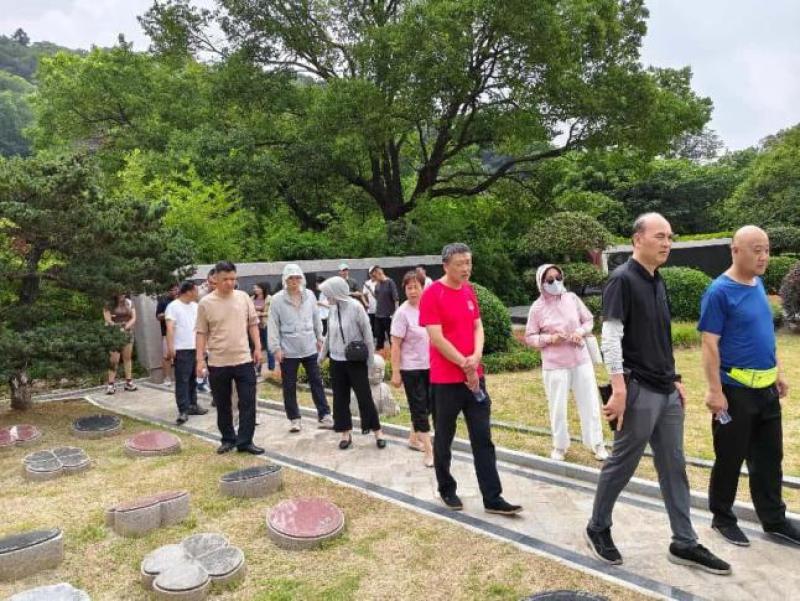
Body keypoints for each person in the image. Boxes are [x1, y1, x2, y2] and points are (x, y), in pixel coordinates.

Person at [584, 213, 730, 575]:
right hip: (638, 390)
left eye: (670, 237)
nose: (667, 243)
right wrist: (618, 388)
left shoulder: (657, 279)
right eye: (659, 236)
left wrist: (675, 377)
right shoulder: (622, 279)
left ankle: (684, 541)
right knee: (623, 463)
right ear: (638, 239)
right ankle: (598, 526)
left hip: (666, 391)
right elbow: (610, 337)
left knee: (674, 466)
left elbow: (660, 336)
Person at [699, 225, 800, 547]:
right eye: (757, 250)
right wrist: (715, 391)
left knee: (770, 458)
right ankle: (722, 518)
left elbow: (764, 333)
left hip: (766, 390)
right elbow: (709, 344)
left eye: (766, 250)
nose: (764, 256)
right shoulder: (719, 291)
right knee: (730, 457)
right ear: (735, 251)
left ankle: (774, 520)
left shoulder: (757, 284)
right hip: (735, 391)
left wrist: (777, 372)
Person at [419, 242, 522, 515]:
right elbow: (436, 337)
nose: (466, 268)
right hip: (445, 380)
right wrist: (464, 364)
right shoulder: (432, 294)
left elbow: (478, 326)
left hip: (475, 376)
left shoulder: (469, 291)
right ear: (445, 266)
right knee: (444, 437)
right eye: (460, 264)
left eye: (468, 262)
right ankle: (446, 488)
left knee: (483, 437)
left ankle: (493, 497)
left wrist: (476, 356)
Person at [524, 263, 607, 462]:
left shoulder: (572, 298)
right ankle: (560, 445)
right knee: (557, 407)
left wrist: (579, 332)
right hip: (555, 364)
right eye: (550, 280)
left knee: (590, 403)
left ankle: (597, 443)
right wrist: (549, 339)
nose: (556, 282)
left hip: (580, 359)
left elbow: (588, 320)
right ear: (541, 283)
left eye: (558, 278)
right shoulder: (537, 307)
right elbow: (530, 336)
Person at [195, 261, 264, 455]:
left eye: (233, 279)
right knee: (223, 404)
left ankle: (245, 441)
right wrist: (200, 360)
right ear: (215, 278)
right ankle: (227, 439)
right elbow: (201, 332)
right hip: (218, 362)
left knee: (248, 401)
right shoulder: (206, 303)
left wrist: (258, 347)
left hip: (243, 359)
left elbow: (253, 324)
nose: (230, 283)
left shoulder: (243, 298)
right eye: (225, 279)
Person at [318, 276, 386, 450]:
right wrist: (322, 356)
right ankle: (345, 433)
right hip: (336, 361)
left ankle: (377, 431)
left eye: (328, 294)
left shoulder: (356, 307)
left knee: (364, 397)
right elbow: (329, 335)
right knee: (340, 399)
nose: (327, 297)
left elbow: (368, 335)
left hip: (355, 360)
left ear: (337, 292)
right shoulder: (333, 309)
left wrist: (370, 361)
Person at [268, 264, 333, 432]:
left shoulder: (309, 295)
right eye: (291, 278)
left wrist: (320, 338)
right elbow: (273, 325)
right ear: (285, 279)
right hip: (288, 350)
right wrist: (276, 348)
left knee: (316, 381)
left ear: (301, 279)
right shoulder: (277, 300)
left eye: (297, 277)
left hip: (309, 346)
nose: (294, 281)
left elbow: (316, 318)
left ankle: (324, 414)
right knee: (289, 386)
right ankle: (294, 418)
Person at [390, 270, 433, 467]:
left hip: (431, 366)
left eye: (416, 287)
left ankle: (414, 438)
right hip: (411, 369)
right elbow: (395, 345)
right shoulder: (402, 313)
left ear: (423, 287)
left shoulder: (430, 307)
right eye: (409, 288)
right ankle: (429, 451)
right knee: (419, 408)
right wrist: (396, 372)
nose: (413, 291)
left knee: (430, 405)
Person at [165, 281, 209, 424]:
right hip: (181, 349)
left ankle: (193, 405)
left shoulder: (196, 306)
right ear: (189, 291)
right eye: (196, 290)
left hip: (196, 347)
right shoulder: (173, 306)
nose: (198, 293)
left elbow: (202, 328)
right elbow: (170, 328)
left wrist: (204, 346)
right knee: (182, 380)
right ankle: (183, 409)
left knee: (193, 379)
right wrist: (171, 347)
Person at [103, 293, 138, 394]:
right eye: (119, 292)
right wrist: (117, 328)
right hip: (114, 333)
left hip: (127, 332)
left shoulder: (129, 302)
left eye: (123, 292)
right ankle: (111, 384)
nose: (122, 294)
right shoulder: (109, 304)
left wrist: (125, 327)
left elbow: (133, 317)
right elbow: (108, 319)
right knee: (114, 359)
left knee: (127, 357)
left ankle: (129, 382)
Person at [156, 284, 179, 386]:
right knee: (167, 356)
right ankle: (167, 378)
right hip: (167, 332)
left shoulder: (181, 300)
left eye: (177, 289)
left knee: (181, 355)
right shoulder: (163, 301)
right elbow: (158, 316)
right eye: (173, 290)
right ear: (168, 291)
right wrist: (168, 313)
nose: (175, 291)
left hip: (180, 332)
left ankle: (180, 377)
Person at [373, 266, 399, 356]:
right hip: (378, 314)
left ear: (380, 273)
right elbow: (377, 297)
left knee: (391, 337)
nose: (375, 279)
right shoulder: (377, 285)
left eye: (375, 276)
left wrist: (396, 313)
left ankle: (394, 355)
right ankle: (379, 356)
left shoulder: (390, 282)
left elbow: (396, 298)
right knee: (379, 337)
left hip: (388, 315)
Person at [252, 282, 276, 378]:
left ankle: (271, 368)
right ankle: (257, 369)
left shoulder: (269, 298)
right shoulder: (252, 298)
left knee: (269, 346)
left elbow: (271, 312)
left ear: (263, 288)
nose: (255, 289)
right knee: (257, 347)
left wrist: (260, 314)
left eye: (257, 288)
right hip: (255, 326)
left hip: (266, 325)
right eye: (255, 288)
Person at [363, 266, 379, 338]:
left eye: (374, 272)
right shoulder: (367, 283)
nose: (372, 274)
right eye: (371, 273)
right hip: (370, 309)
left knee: (378, 327)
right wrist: (366, 303)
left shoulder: (379, 282)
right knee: (371, 326)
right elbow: (364, 295)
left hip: (379, 309)